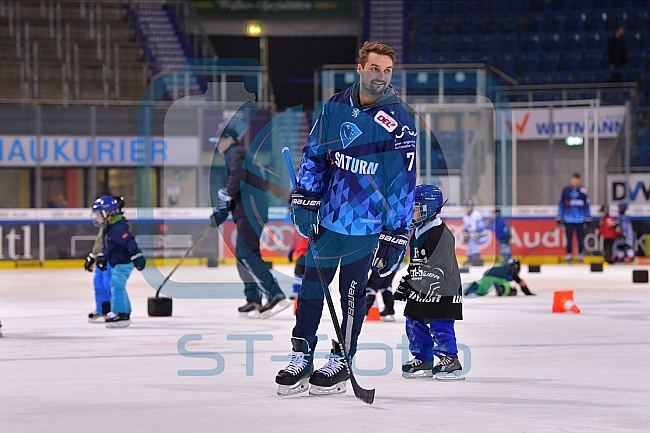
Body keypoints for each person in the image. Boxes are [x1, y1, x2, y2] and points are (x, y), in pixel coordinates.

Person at [275, 41, 417, 397]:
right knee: (310, 291)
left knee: (350, 296)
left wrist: (396, 234)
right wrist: (306, 199)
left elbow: (402, 183)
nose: (380, 76)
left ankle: (342, 358)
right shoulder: (335, 106)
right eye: (374, 68)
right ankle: (301, 355)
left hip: (365, 228)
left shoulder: (398, 121)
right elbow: (315, 155)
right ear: (360, 68)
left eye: (386, 70)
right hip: (327, 220)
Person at [210, 125, 290, 319]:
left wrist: (226, 196)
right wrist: (222, 213)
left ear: (230, 139)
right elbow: (239, 186)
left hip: (250, 211)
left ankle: (275, 293)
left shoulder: (235, 153)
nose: (217, 146)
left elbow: (237, 179)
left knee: (247, 253)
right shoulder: (236, 154)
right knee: (242, 256)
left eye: (219, 141)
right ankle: (253, 298)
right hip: (248, 210)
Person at [393, 184, 464, 380]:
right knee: (413, 319)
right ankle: (423, 358)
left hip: (442, 290)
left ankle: (449, 359)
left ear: (430, 209)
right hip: (421, 288)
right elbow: (417, 263)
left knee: (439, 323)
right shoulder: (417, 233)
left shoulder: (440, 234)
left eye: (416, 208)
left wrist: (426, 280)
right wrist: (408, 282)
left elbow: (441, 266)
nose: (412, 212)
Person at [92, 196, 146, 328]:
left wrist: (136, 255)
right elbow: (108, 247)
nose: (96, 218)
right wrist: (102, 257)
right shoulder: (109, 227)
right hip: (117, 262)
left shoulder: (117, 228)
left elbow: (129, 241)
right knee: (116, 284)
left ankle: (121, 313)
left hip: (123, 262)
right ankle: (124, 311)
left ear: (108, 213)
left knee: (116, 284)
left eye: (98, 214)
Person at [557, 173, 591, 263]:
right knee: (569, 238)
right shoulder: (566, 191)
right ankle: (569, 254)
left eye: (576, 180)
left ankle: (580, 254)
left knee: (580, 238)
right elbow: (561, 205)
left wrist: (587, 217)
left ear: (578, 180)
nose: (574, 181)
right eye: (573, 179)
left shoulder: (583, 191)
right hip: (568, 219)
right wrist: (560, 216)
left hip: (580, 219)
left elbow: (586, 205)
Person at [463, 257, 535, 297]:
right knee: (506, 285)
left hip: (487, 275)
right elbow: (521, 282)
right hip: (497, 279)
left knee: (483, 290)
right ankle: (501, 288)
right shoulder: (512, 271)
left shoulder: (504, 267)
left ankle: (477, 287)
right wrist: (527, 292)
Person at [462, 200, 487, 265]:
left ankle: (476, 258)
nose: (466, 209)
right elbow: (466, 227)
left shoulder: (476, 214)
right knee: (469, 245)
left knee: (473, 244)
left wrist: (479, 232)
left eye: (467, 207)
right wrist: (466, 234)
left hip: (478, 233)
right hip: (471, 233)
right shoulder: (465, 216)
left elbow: (480, 225)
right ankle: (470, 258)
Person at [288, 236, 309, 300]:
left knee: (299, 274)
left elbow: (294, 243)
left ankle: (296, 292)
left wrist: (290, 253)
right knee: (304, 275)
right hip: (307, 256)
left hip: (302, 256)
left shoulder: (298, 232)